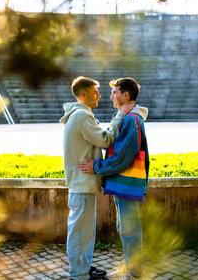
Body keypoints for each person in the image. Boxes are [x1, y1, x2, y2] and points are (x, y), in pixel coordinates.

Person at [60, 76, 134, 280]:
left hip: (81, 183)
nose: (100, 96)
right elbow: (105, 140)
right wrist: (119, 115)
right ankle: (78, 274)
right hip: (82, 184)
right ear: (83, 95)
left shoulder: (79, 115)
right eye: (95, 92)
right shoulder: (82, 116)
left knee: (82, 231)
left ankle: (83, 268)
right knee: (81, 233)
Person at [78, 77, 149, 280]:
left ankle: (135, 274)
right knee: (124, 227)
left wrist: (97, 167)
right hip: (122, 183)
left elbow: (122, 157)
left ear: (125, 95)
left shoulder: (130, 120)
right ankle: (131, 268)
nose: (110, 96)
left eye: (115, 92)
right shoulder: (128, 117)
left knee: (130, 229)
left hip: (126, 183)